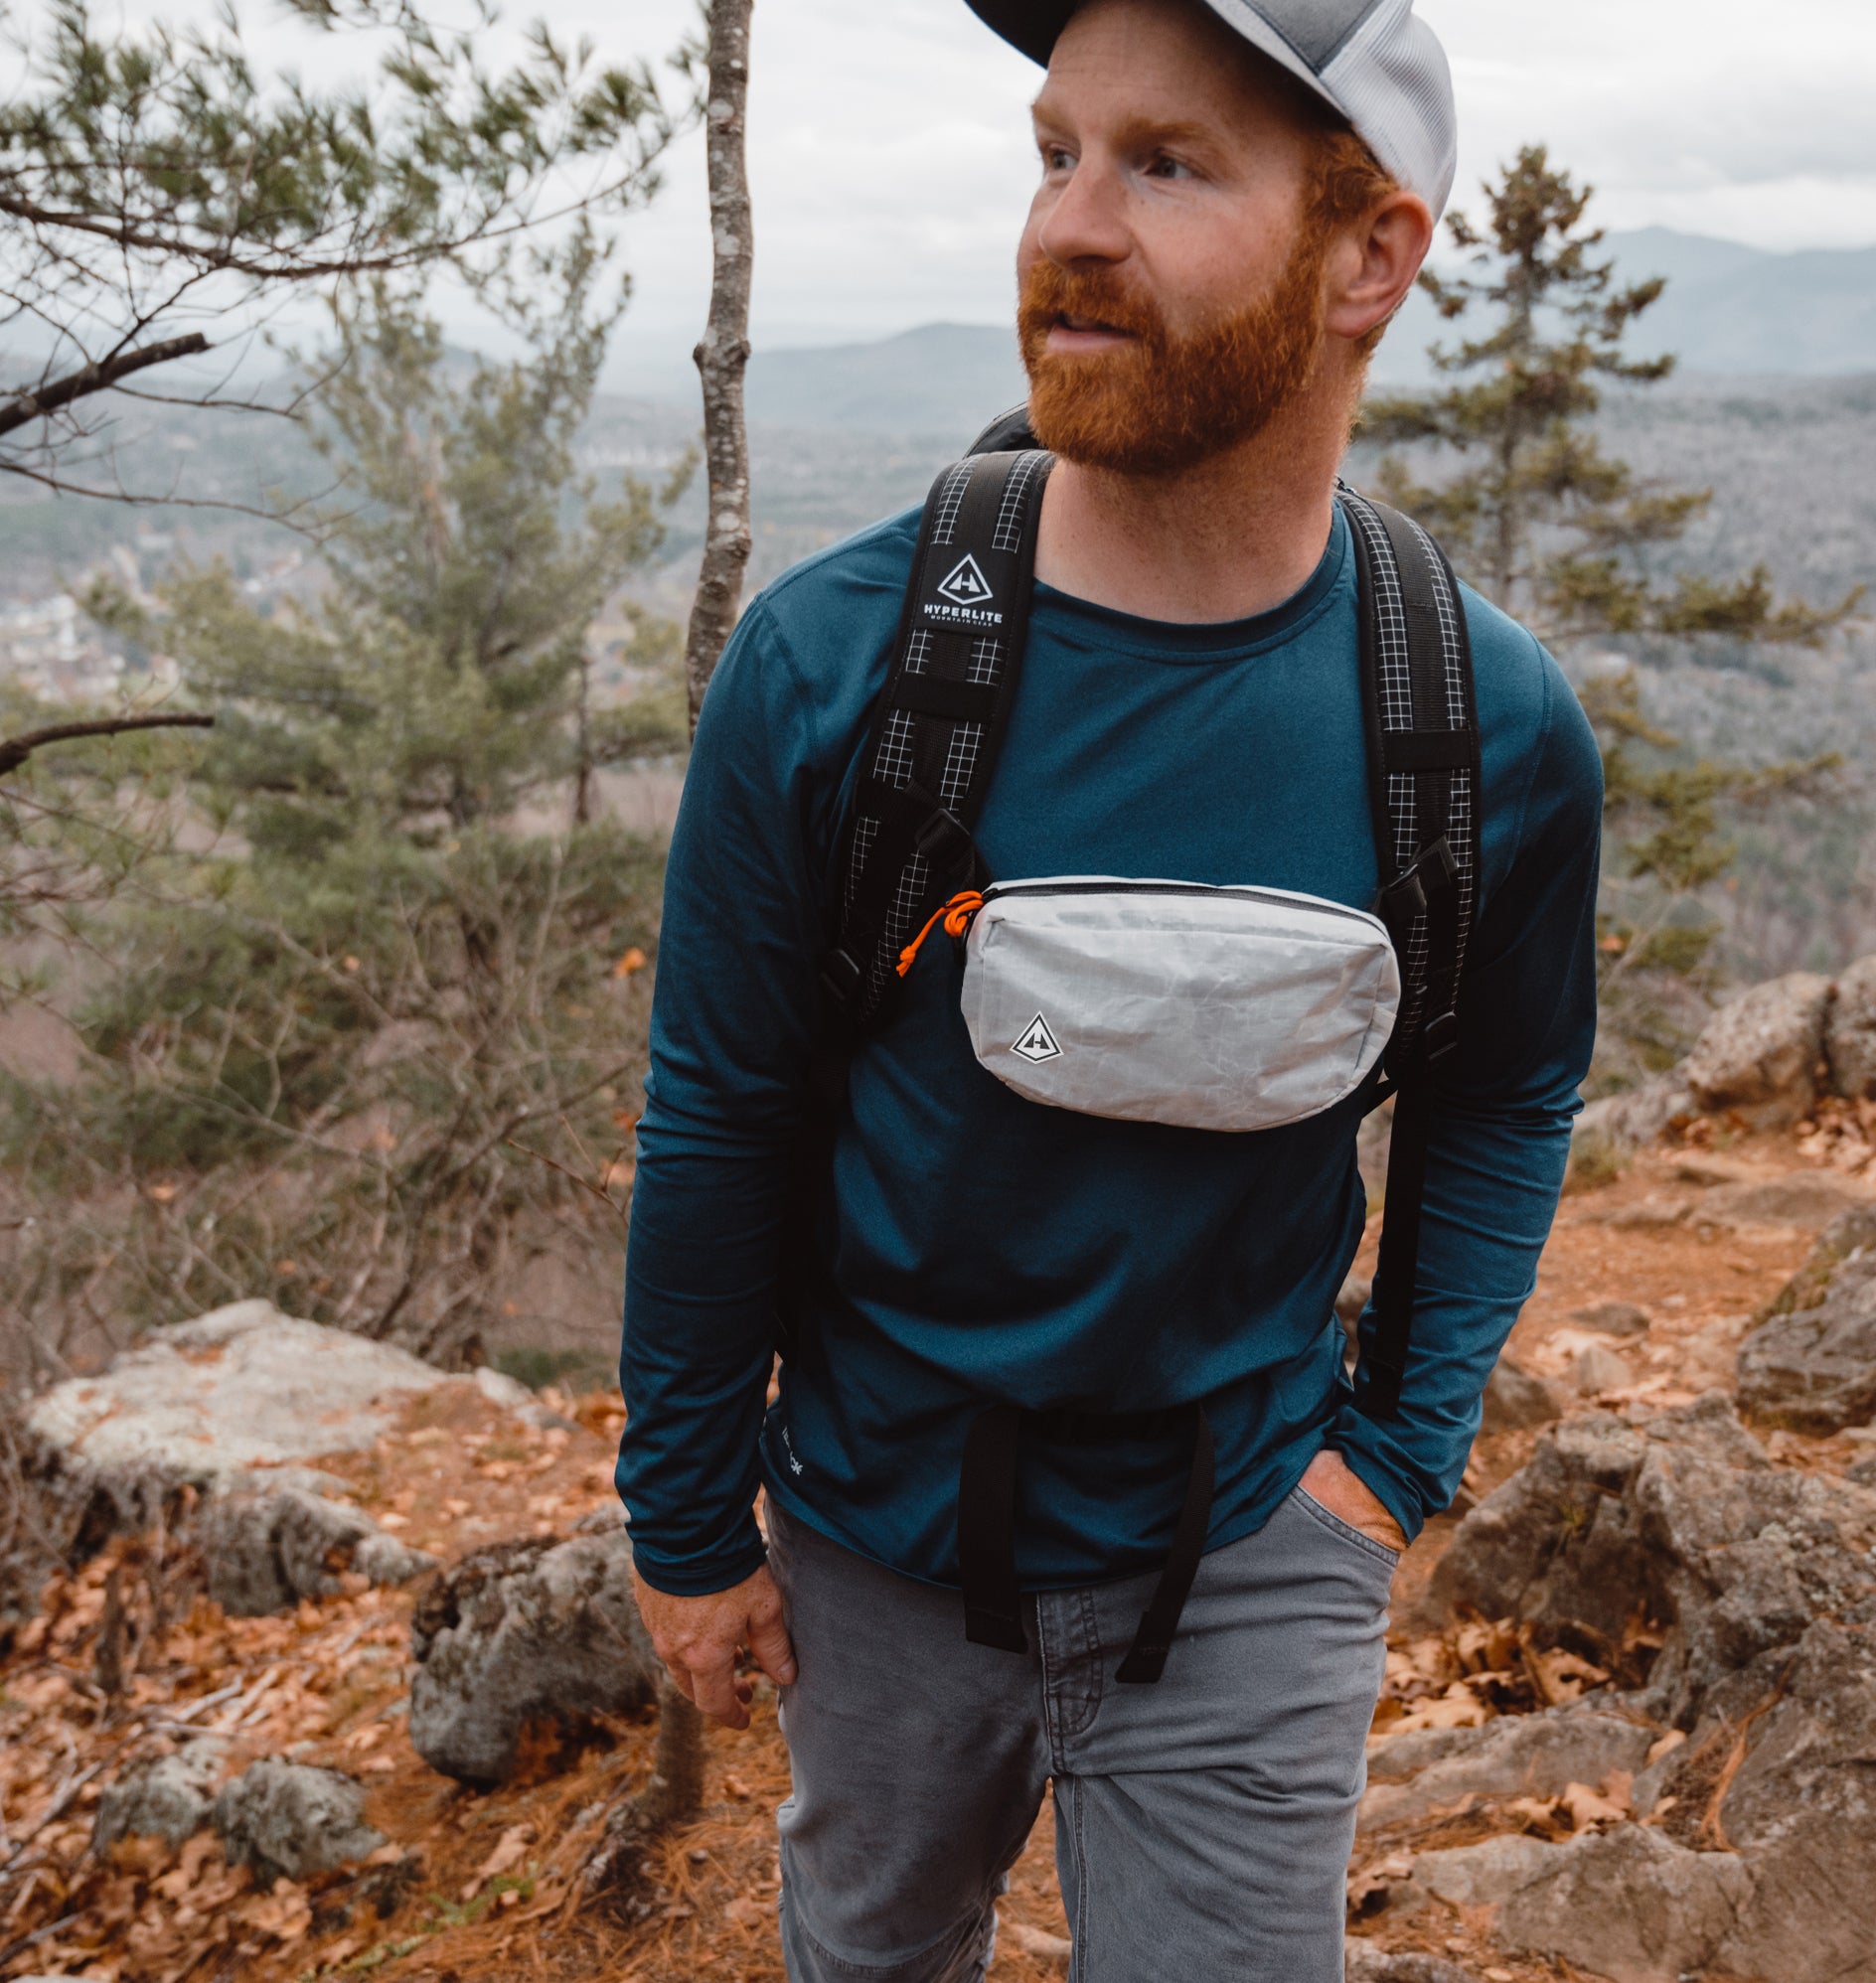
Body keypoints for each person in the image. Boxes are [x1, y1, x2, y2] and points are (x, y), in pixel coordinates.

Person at [619, 1, 1603, 1976]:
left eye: (1164, 164)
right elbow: (721, 1106)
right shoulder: (841, 675)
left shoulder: (1474, 731)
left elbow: (1500, 1092)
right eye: (1054, 148)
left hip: (1250, 1540)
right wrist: (686, 1518)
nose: (1069, 221)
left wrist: (1388, 1459)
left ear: (1367, 254)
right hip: (874, 1537)